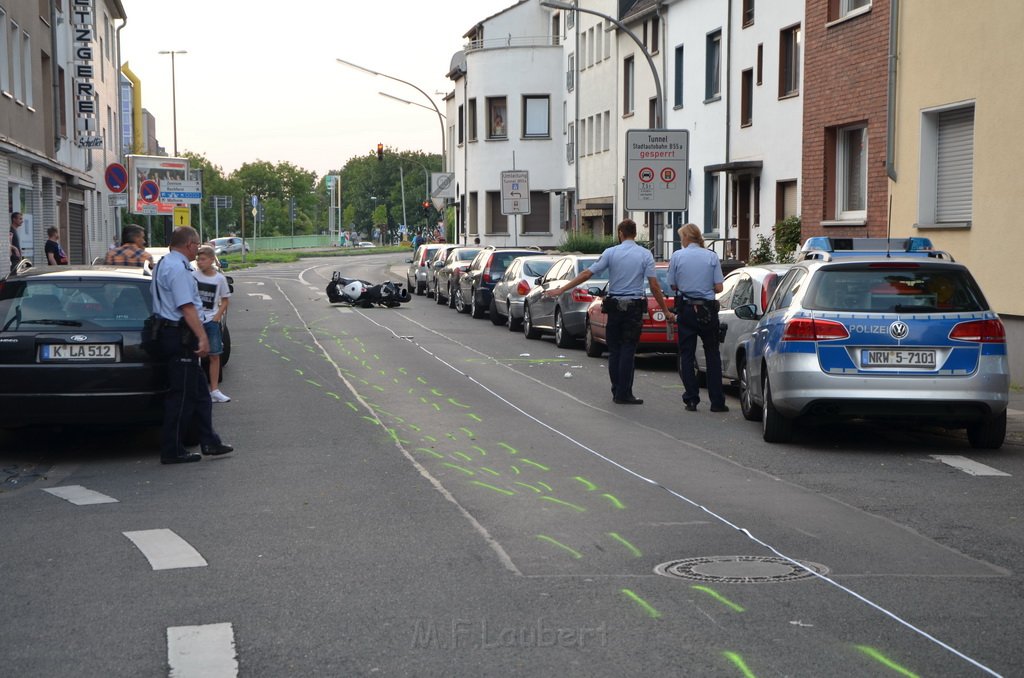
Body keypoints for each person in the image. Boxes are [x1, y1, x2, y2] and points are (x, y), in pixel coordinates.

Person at [544, 218, 673, 405]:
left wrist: (562, 289)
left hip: (614, 306)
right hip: (634, 306)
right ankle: (625, 392)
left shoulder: (610, 253)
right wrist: (665, 310)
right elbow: (654, 285)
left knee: (614, 350)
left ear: (620, 234)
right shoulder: (645, 254)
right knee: (628, 349)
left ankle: (616, 390)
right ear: (635, 234)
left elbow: (587, 273)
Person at [151, 226, 234, 464]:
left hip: (171, 332)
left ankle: (209, 441)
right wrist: (202, 336)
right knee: (183, 396)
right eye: (197, 245)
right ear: (188, 244)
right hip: (179, 335)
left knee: (200, 394)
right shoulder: (177, 269)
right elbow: (186, 307)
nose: (198, 249)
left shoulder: (163, 264)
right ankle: (172, 449)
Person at [666, 223, 727, 413]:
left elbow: (672, 285)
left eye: (681, 237)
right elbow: (719, 288)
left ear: (685, 238)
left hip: (686, 309)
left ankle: (691, 399)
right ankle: (717, 401)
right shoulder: (711, 256)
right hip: (707, 310)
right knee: (712, 354)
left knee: (686, 353)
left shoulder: (677, 256)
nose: (680, 241)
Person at [193, 244, 232, 403]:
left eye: (202, 259)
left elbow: (225, 300)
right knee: (195, 356)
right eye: (198, 259)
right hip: (196, 321)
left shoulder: (219, 279)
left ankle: (214, 390)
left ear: (211, 260)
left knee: (215, 355)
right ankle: (195, 390)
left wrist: (216, 317)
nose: (199, 262)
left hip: (211, 321)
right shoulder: (193, 276)